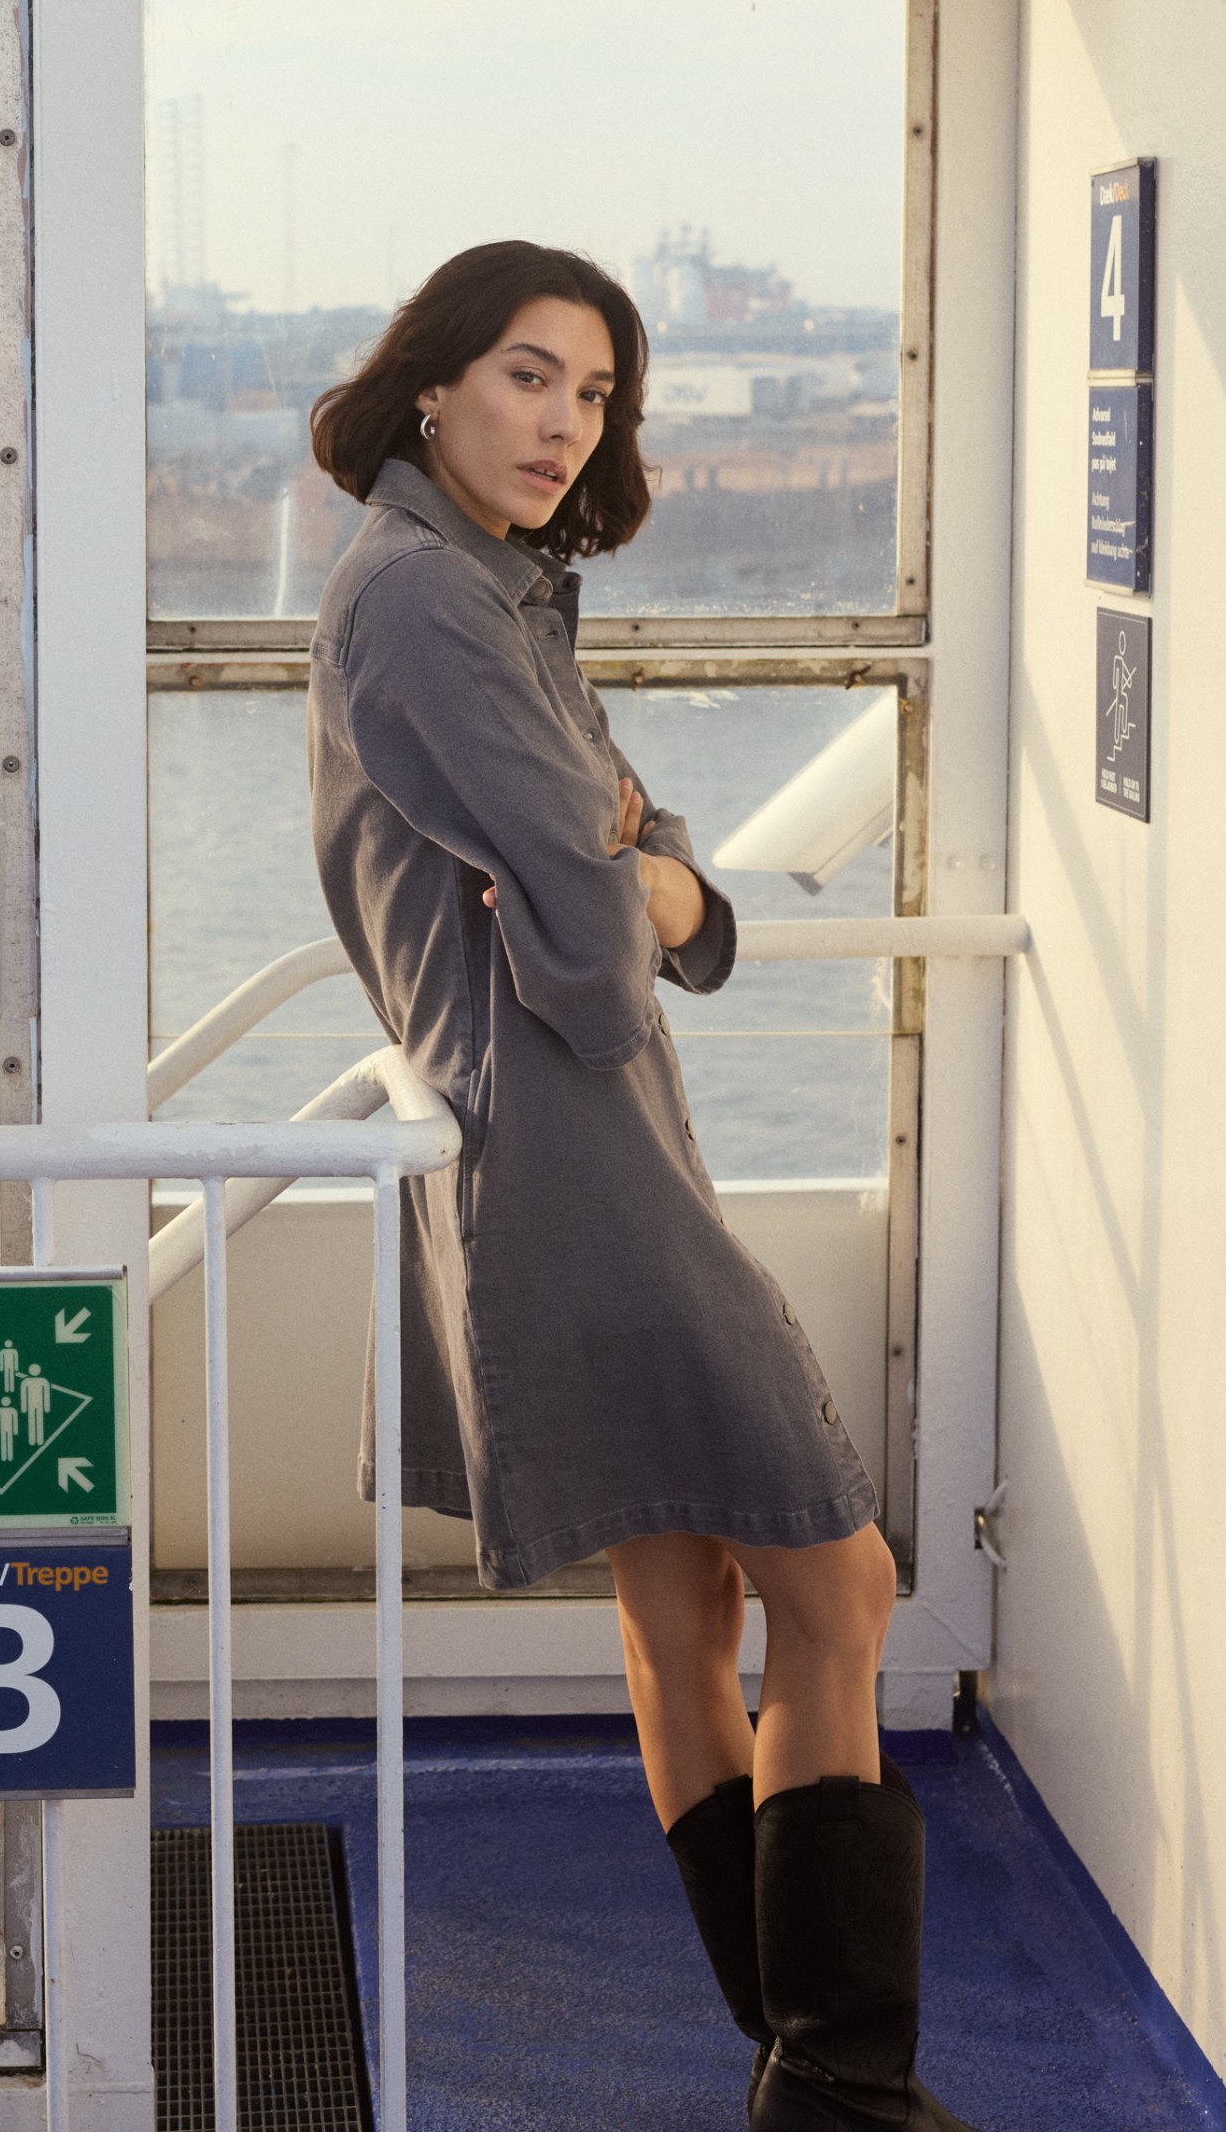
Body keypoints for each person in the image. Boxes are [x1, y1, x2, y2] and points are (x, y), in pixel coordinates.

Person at [306, 239, 977, 2132]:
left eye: (592, 394)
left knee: (684, 1603)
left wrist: (637, 873)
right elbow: (604, 962)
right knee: (834, 1576)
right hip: (564, 1139)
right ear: (432, 383)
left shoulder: (495, 590)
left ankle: (805, 2072)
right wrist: (621, 884)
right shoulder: (421, 603)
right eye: (528, 376)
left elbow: (656, 880)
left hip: (577, 1127)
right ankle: (841, 2084)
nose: (562, 423)